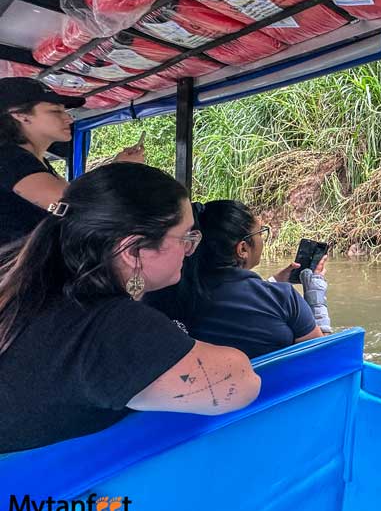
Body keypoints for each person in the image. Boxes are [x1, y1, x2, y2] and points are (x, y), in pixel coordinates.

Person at [0, 164, 261, 453]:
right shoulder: (110, 328)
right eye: (186, 237)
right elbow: (242, 383)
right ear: (134, 250)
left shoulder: (27, 288)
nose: (191, 249)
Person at [0, 77, 145, 249]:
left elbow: (74, 196)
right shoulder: (9, 158)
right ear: (21, 116)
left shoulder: (36, 162)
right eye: (56, 111)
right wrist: (118, 169)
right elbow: (73, 205)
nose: (69, 118)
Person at [184, 200, 328, 359]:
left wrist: (271, 283)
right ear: (243, 249)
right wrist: (316, 299)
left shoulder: (178, 294)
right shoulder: (284, 298)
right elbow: (325, 357)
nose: (261, 239)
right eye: (260, 233)